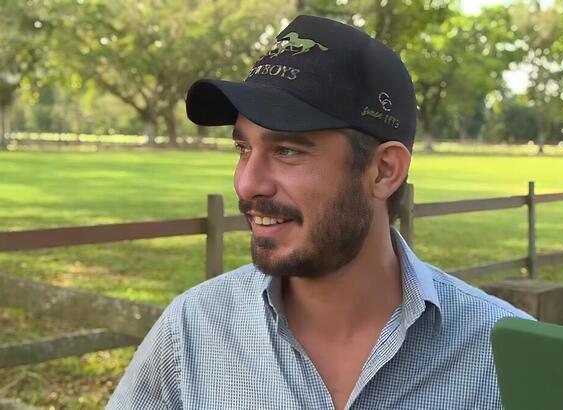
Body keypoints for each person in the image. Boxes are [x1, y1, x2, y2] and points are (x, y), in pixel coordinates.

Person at [107, 15, 532, 409]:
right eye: (243, 149)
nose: (247, 183)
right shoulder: (194, 329)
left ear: (384, 171)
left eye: (287, 150)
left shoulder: (505, 358)